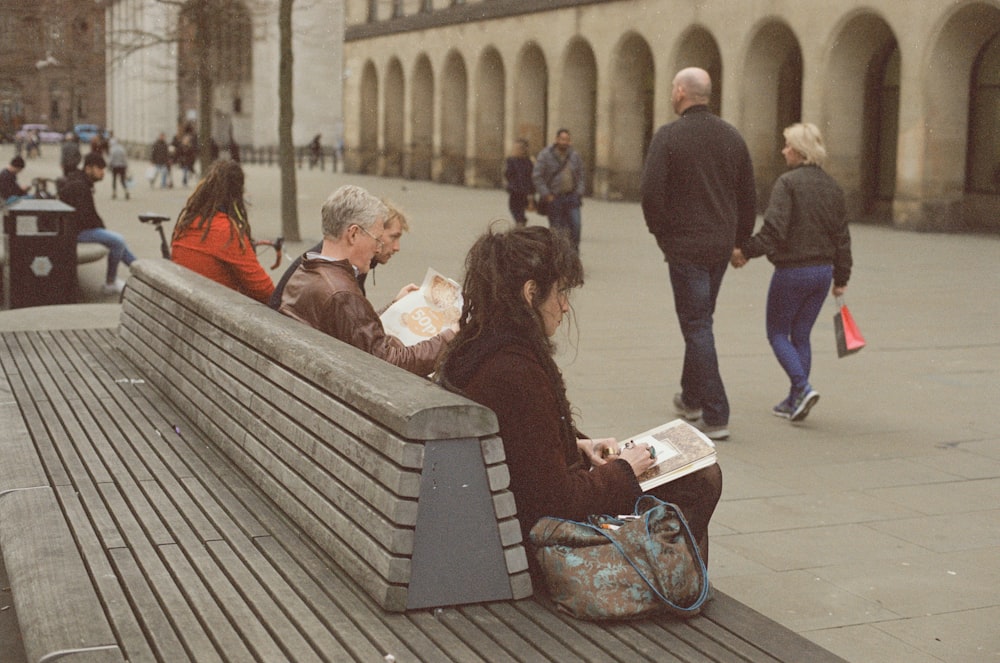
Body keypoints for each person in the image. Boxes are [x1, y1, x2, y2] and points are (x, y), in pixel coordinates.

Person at [437, 225, 722, 582]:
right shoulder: (513, 369)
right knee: (702, 479)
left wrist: (576, 443)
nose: (565, 305)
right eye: (560, 292)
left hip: (507, 518)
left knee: (690, 474)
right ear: (530, 293)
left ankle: (676, 581)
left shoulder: (481, 343)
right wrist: (623, 471)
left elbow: (523, 442)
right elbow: (555, 498)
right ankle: (675, 585)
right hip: (538, 543)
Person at [640, 67, 757, 441]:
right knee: (701, 320)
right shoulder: (731, 137)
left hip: (685, 246)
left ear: (680, 92)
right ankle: (691, 397)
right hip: (719, 245)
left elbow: (651, 194)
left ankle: (716, 412)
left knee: (697, 324)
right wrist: (740, 240)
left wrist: (662, 235)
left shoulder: (669, 137)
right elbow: (748, 196)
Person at [731, 123, 851, 422]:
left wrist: (745, 251)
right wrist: (842, 278)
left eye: (787, 145)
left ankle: (803, 387)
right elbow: (842, 237)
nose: (783, 150)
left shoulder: (788, 183)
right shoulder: (833, 187)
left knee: (777, 333)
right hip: (822, 273)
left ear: (798, 151)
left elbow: (773, 231)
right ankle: (794, 400)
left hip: (793, 272)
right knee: (801, 334)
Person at [278, 185, 452, 376]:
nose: (378, 249)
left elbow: (354, 328)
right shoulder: (341, 293)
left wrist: (394, 306)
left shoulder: (308, 268)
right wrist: (448, 338)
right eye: (377, 239)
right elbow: (390, 363)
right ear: (353, 234)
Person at [269, 200, 413, 309]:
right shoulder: (340, 273)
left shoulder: (327, 258)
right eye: (393, 237)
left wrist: (394, 306)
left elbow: (359, 327)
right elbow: (364, 337)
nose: (397, 247)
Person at [170, 160, 275, 304]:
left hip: (187, 309)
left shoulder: (186, 224)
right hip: (213, 315)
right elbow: (264, 291)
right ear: (237, 193)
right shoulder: (225, 231)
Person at [59, 153, 138, 295]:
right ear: (88, 168)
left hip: (74, 228)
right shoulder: (80, 186)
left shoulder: (80, 181)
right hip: (76, 232)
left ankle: (140, 271)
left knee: (117, 242)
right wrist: (101, 228)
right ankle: (110, 282)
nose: (103, 173)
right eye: (100, 169)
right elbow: (85, 217)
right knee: (117, 241)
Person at [532, 129, 585, 252]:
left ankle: (574, 255)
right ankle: (558, 256)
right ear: (556, 140)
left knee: (576, 226)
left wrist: (579, 192)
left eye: (567, 139)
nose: (565, 142)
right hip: (554, 198)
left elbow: (581, 174)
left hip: (572, 197)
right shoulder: (545, 155)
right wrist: (546, 194)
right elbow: (537, 176)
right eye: (562, 139)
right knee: (556, 229)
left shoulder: (574, 155)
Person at [504, 138, 535, 227]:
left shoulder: (529, 162)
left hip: (522, 191)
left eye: (517, 148)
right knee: (514, 209)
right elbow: (507, 174)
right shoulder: (511, 160)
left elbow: (531, 177)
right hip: (515, 191)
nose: (514, 150)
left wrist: (531, 193)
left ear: (523, 150)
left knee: (518, 210)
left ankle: (521, 224)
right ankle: (521, 223)